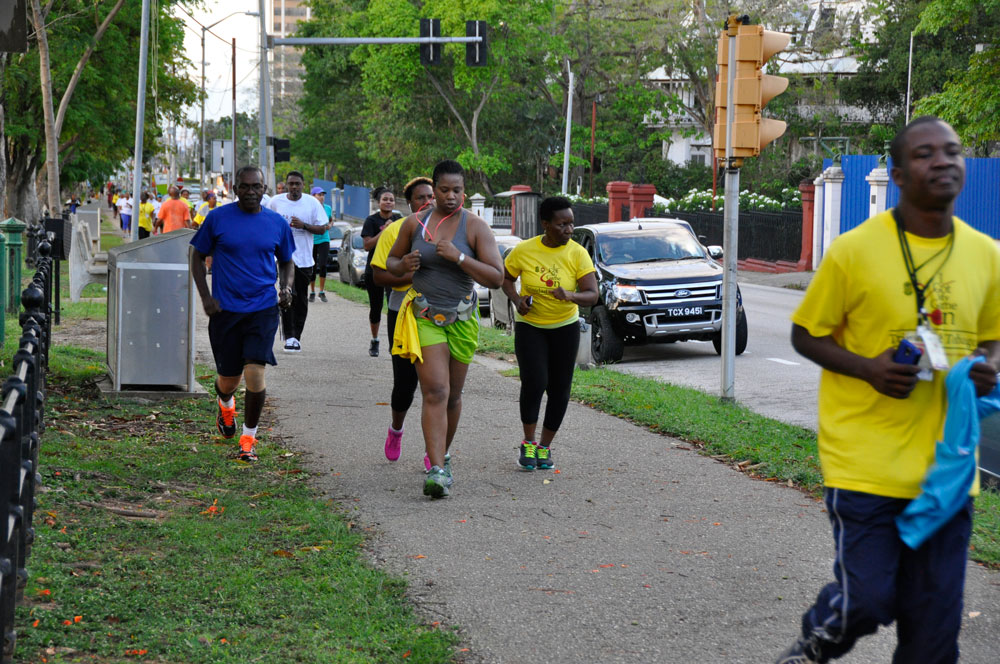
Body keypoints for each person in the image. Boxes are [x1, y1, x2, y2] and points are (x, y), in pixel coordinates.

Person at [777, 117, 1000, 664]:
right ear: (897, 175)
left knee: (933, 635)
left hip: (948, 472)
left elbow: (994, 338)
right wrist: (868, 369)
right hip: (865, 463)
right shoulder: (854, 250)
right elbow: (805, 334)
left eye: (952, 151)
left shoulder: (987, 254)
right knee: (868, 598)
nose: (943, 161)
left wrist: (988, 365)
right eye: (925, 154)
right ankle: (814, 645)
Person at [386, 160, 503, 498]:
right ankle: (436, 469)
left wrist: (459, 258)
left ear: (464, 193)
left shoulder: (475, 227)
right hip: (424, 316)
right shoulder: (414, 223)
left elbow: (497, 277)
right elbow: (390, 263)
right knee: (436, 390)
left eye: (457, 190)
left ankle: (443, 455)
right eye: (444, 190)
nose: (451, 196)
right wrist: (403, 264)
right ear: (433, 190)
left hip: (462, 319)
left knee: (453, 395)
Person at [190, 165, 295, 462]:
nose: (251, 192)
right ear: (235, 189)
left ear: (264, 189)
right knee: (228, 380)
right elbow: (196, 256)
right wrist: (206, 297)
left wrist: (286, 288)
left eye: (256, 186)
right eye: (245, 187)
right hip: (225, 310)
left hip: (262, 308)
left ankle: (248, 440)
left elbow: (287, 261)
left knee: (255, 373)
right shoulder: (217, 218)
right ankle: (225, 404)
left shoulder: (276, 223)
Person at [501, 196, 598, 471]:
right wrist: (517, 299)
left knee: (559, 389)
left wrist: (570, 295)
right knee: (534, 382)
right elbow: (505, 278)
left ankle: (545, 446)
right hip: (530, 326)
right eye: (562, 224)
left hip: (565, 328)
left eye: (571, 224)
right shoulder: (523, 250)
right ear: (545, 224)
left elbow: (592, 294)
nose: (569, 230)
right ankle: (529, 443)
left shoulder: (577, 253)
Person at [371, 176, 434, 464]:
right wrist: (411, 274)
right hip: (403, 312)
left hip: (438, 312)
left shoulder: (449, 230)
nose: (427, 202)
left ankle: (434, 451)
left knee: (436, 387)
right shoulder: (395, 231)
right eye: (421, 198)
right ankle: (396, 429)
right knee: (405, 384)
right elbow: (379, 276)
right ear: (409, 203)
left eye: (431, 196)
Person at [266, 171, 328, 353]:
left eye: (297, 184)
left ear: (303, 185)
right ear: (286, 185)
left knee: (300, 299)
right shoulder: (275, 202)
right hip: (284, 258)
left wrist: (304, 226)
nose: (294, 187)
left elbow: (322, 228)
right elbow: (265, 222)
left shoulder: (312, 203)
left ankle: (296, 336)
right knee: (287, 294)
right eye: (291, 184)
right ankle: (289, 337)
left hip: (305, 259)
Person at [362, 187, 403, 356]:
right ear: (378, 202)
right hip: (375, 269)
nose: (388, 202)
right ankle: (375, 340)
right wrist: (385, 231)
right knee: (376, 307)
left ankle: (395, 342)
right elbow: (367, 245)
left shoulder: (399, 219)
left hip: (394, 268)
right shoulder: (371, 221)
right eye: (385, 199)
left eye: (391, 199)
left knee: (395, 306)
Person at [308, 186, 333, 302]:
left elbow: (331, 220)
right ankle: (312, 291)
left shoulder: (327, 208)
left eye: (323, 195)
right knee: (312, 266)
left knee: (323, 265)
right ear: (313, 196)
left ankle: (322, 291)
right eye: (319, 195)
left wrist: (330, 226)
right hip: (312, 239)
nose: (322, 197)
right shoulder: (308, 208)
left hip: (324, 239)